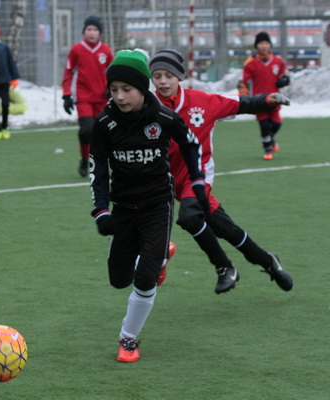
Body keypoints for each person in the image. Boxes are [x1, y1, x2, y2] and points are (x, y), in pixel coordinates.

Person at [90, 49, 208, 363]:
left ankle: (128, 339)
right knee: (119, 280)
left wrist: (197, 179)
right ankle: (161, 254)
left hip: (157, 203)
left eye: (127, 89)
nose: (119, 96)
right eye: (114, 89)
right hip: (123, 207)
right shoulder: (104, 123)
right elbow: (97, 168)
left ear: (143, 89)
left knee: (144, 279)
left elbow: (190, 143)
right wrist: (101, 210)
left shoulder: (163, 117)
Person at [149, 49, 293, 293]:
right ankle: (270, 262)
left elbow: (239, 103)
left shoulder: (202, 102)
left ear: (180, 77)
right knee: (227, 230)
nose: (163, 81)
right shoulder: (146, 107)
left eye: (169, 76)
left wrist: (266, 99)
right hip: (166, 180)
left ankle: (224, 267)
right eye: (157, 76)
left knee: (189, 218)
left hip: (197, 176)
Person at [62, 16, 113, 177]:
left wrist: (111, 88)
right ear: (84, 31)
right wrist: (66, 95)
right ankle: (84, 160)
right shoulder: (76, 49)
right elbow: (68, 72)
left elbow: (113, 72)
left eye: (95, 30)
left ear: (100, 32)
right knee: (87, 130)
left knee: (104, 133)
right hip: (83, 98)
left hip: (102, 99)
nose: (92, 33)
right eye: (89, 29)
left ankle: (104, 165)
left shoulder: (106, 50)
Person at [238, 31, 290, 160]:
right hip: (259, 100)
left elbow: (285, 75)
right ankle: (268, 150)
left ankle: (270, 141)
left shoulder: (278, 61)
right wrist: (243, 95)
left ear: (270, 45)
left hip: (275, 99)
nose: (264, 46)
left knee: (276, 124)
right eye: (261, 43)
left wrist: (284, 80)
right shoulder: (250, 63)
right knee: (264, 125)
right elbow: (243, 82)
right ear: (256, 46)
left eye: (266, 43)